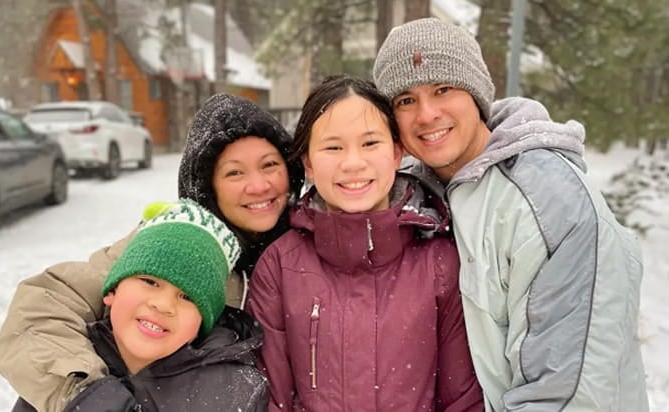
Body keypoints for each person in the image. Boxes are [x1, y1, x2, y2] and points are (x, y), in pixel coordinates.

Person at [373, 17, 649, 412]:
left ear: (477, 94)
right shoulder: (412, 198)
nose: (426, 114)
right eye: (405, 100)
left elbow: (567, 392)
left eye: (443, 89)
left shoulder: (551, 200)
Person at [0, 93, 304, 411]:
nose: (259, 185)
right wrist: (87, 395)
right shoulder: (168, 243)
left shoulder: (314, 245)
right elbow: (42, 311)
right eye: (235, 173)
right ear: (208, 185)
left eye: (270, 165)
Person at [245, 75, 483, 412]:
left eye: (370, 143)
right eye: (333, 147)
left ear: (397, 152)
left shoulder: (439, 262)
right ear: (309, 163)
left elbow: (461, 399)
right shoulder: (281, 266)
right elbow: (270, 401)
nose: (353, 163)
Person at [13, 199, 267, 411]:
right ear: (112, 291)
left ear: (203, 322)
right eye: (149, 281)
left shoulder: (234, 391)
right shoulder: (66, 364)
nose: (163, 304)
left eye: (188, 296)